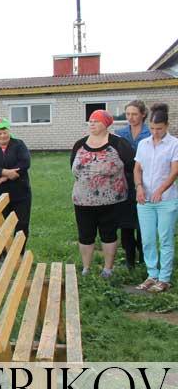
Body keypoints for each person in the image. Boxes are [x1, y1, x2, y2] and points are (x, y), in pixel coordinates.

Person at [70, 109, 134, 277]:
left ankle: (108, 268)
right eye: (90, 121)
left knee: (109, 233)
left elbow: (131, 166)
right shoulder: (80, 143)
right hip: (83, 200)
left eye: (96, 121)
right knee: (85, 234)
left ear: (105, 124)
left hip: (111, 201)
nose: (92, 124)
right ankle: (86, 268)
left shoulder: (118, 143)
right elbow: (74, 167)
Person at [133, 103, 178, 293]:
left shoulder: (174, 144)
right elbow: (137, 169)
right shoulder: (143, 144)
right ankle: (152, 274)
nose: (155, 132)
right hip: (145, 201)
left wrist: (160, 189)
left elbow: (175, 171)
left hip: (166, 200)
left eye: (159, 128)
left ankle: (164, 278)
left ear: (166, 126)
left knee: (165, 238)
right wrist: (139, 188)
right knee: (148, 239)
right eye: (152, 128)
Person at [0, 118, 32, 245]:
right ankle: (1, 254)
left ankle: (19, 253)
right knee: (1, 225)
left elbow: (25, 163)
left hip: (21, 194)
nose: (3, 135)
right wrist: (6, 172)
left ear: (9, 131)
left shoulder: (19, 144)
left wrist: (4, 177)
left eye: (5, 132)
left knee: (22, 224)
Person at [115, 100, 151, 268]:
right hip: (124, 182)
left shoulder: (151, 133)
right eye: (128, 114)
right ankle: (129, 259)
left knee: (144, 223)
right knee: (126, 223)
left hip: (146, 182)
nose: (130, 117)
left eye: (134, 114)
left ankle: (144, 258)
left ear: (143, 114)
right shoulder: (120, 134)